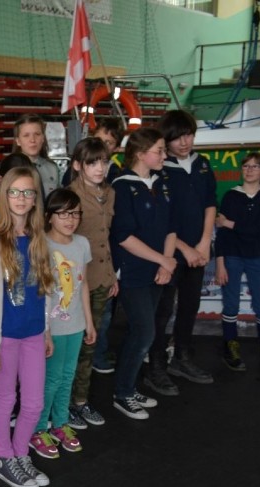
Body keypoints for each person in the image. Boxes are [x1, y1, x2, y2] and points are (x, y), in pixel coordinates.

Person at [0, 166, 54, 487]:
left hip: (34, 333)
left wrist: (47, 331)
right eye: (15, 192)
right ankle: (4, 458)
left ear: (35, 198)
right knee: (5, 399)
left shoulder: (39, 240)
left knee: (34, 402)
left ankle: (21, 453)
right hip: (4, 337)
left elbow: (43, 292)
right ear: (4, 196)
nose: (21, 198)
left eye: (28, 192)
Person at [145, 110, 217, 396]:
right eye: (177, 138)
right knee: (162, 311)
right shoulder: (160, 169)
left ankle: (182, 358)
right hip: (168, 252)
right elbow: (160, 219)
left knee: (189, 305)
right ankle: (156, 365)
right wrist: (183, 248)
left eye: (188, 136)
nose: (184, 142)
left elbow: (211, 204)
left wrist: (203, 243)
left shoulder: (203, 165)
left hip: (198, 251)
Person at [110, 127, 177, 420]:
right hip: (134, 272)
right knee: (144, 332)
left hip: (159, 271)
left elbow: (171, 228)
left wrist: (166, 263)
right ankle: (122, 393)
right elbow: (123, 236)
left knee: (145, 333)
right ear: (140, 154)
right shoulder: (122, 187)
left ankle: (129, 386)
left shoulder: (162, 183)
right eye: (159, 150)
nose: (164, 155)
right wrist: (163, 259)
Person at [31, 189, 95, 458]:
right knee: (51, 378)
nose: (70, 219)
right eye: (63, 214)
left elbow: (82, 285)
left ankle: (60, 424)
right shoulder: (42, 245)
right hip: (53, 327)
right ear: (49, 216)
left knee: (67, 376)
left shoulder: (81, 244)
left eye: (75, 213)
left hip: (76, 324)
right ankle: (38, 429)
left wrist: (89, 323)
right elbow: (40, 292)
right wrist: (44, 331)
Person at [64, 138, 116, 431]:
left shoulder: (110, 193)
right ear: (77, 166)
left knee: (91, 344)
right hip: (75, 284)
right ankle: (68, 404)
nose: (100, 168)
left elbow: (104, 238)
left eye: (104, 162)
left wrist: (111, 275)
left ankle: (81, 400)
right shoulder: (69, 197)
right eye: (92, 163)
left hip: (102, 279)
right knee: (75, 346)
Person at [214, 152, 260, 372]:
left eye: (255, 166)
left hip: (257, 256)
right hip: (232, 255)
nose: (250, 170)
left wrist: (229, 223)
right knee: (230, 302)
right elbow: (221, 233)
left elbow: (257, 229)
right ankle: (230, 345)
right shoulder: (231, 196)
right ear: (241, 169)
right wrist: (220, 263)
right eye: (246, 166)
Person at [13, 114, 59, 197]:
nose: (32, 140)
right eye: (26, 135)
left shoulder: (52, 168)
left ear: (43, 138)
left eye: (37, 134)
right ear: (18, 141)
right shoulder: (10, 168)